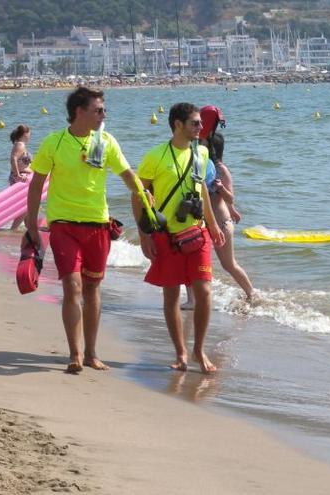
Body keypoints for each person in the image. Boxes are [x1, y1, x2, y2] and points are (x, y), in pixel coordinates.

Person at [25, 86, 144, 374]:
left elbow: (126, 174)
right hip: (64, 224)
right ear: (79, 111)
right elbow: (37, 183)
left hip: (97, 224)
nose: (104, 114)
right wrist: (31, 220)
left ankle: (91, 353)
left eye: (104, 110)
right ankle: (75, 353)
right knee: (72, 285)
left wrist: (143, 194)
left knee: (92, 287)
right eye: (98, 109)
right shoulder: (54, 142)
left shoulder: (106, 142)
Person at [136, 102, 225, 374]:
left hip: (197, 233)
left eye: (200, 123)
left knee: (205, 292)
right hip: (166, 235)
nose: (201, 128)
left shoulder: (202, 151)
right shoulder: (155, 156)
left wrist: (212, 225)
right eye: (195, 123)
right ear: (177, 124)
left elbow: (203, 194)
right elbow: (138, 196)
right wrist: (144, 236)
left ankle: (199, 348)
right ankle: (181, 352)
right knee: (171, 295)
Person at [182, 131, 254, 310]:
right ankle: (192, 300)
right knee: (188, 260)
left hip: (221, 223)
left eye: (203, 141)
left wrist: (221, 190)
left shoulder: (221, 169)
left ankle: (252, 294)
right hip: (202, 223)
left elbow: (230, 198)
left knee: (228, 264)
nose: (198, 143)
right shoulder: (200, 165)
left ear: (211, 147)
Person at [9, 124, 34, 229]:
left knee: (25, 206)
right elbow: (13, 159)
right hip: (20, 179)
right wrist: (18, 175)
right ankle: (13, 230)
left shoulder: (19, 144)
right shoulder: (20, 145)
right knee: (27, 206)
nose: (30, 136)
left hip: (22, 178)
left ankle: (30, 229)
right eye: (29, 134)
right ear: (25, 134)